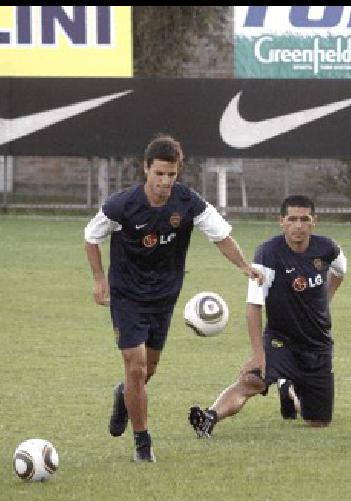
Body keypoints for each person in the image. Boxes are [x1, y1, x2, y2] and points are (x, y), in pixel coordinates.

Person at [84, 134, 264, 462]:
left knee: (147, 371)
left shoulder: (188, 203)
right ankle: (142, 442)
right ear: (146, 169)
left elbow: (221, 236)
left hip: (164, 298)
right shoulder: (121, 205)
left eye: (172, 174)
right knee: (135, 366)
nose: (165, 181)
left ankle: (125, 395)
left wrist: (243, 266)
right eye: (159, 174)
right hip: (127, 296)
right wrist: (99, 279)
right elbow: (91, 237)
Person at [188, 194, 346, 436]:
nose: (299, 226)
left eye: (305, 219)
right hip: (280, 340)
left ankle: (287, 387)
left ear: (314, 221)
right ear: (281, 221)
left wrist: (324, 302)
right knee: (252, 381)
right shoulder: (268, 255)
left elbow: (340, 272)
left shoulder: (327, 249)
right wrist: (259, 356)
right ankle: (209, 417)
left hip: (318, 345)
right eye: (292, 219)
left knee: (318, 422)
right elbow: (254, 306)